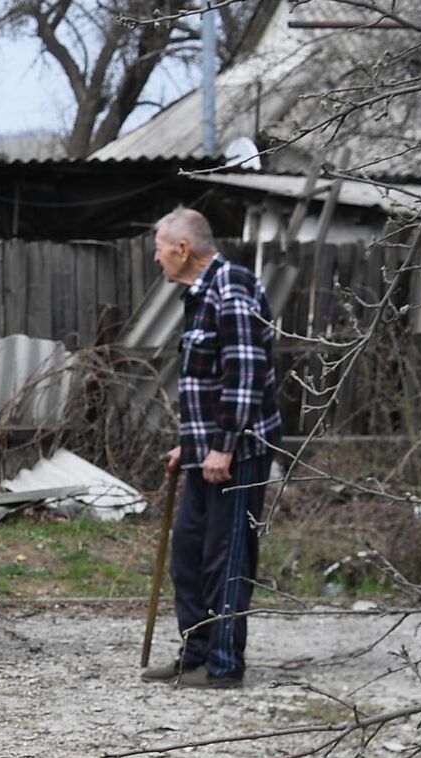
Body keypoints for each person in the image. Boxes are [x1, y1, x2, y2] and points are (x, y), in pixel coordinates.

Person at [146, 207, 281, 689]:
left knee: (225, 556)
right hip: (208, 450)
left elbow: (244, 375)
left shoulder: (233, 286)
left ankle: (224, 666)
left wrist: (223, 446)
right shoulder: (200, 294)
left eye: (160, 247)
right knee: (189, 550)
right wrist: (191, 445)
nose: (156, 257)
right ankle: (195, 653)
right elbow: (209, 378)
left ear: (183, 250)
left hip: (238, 452)